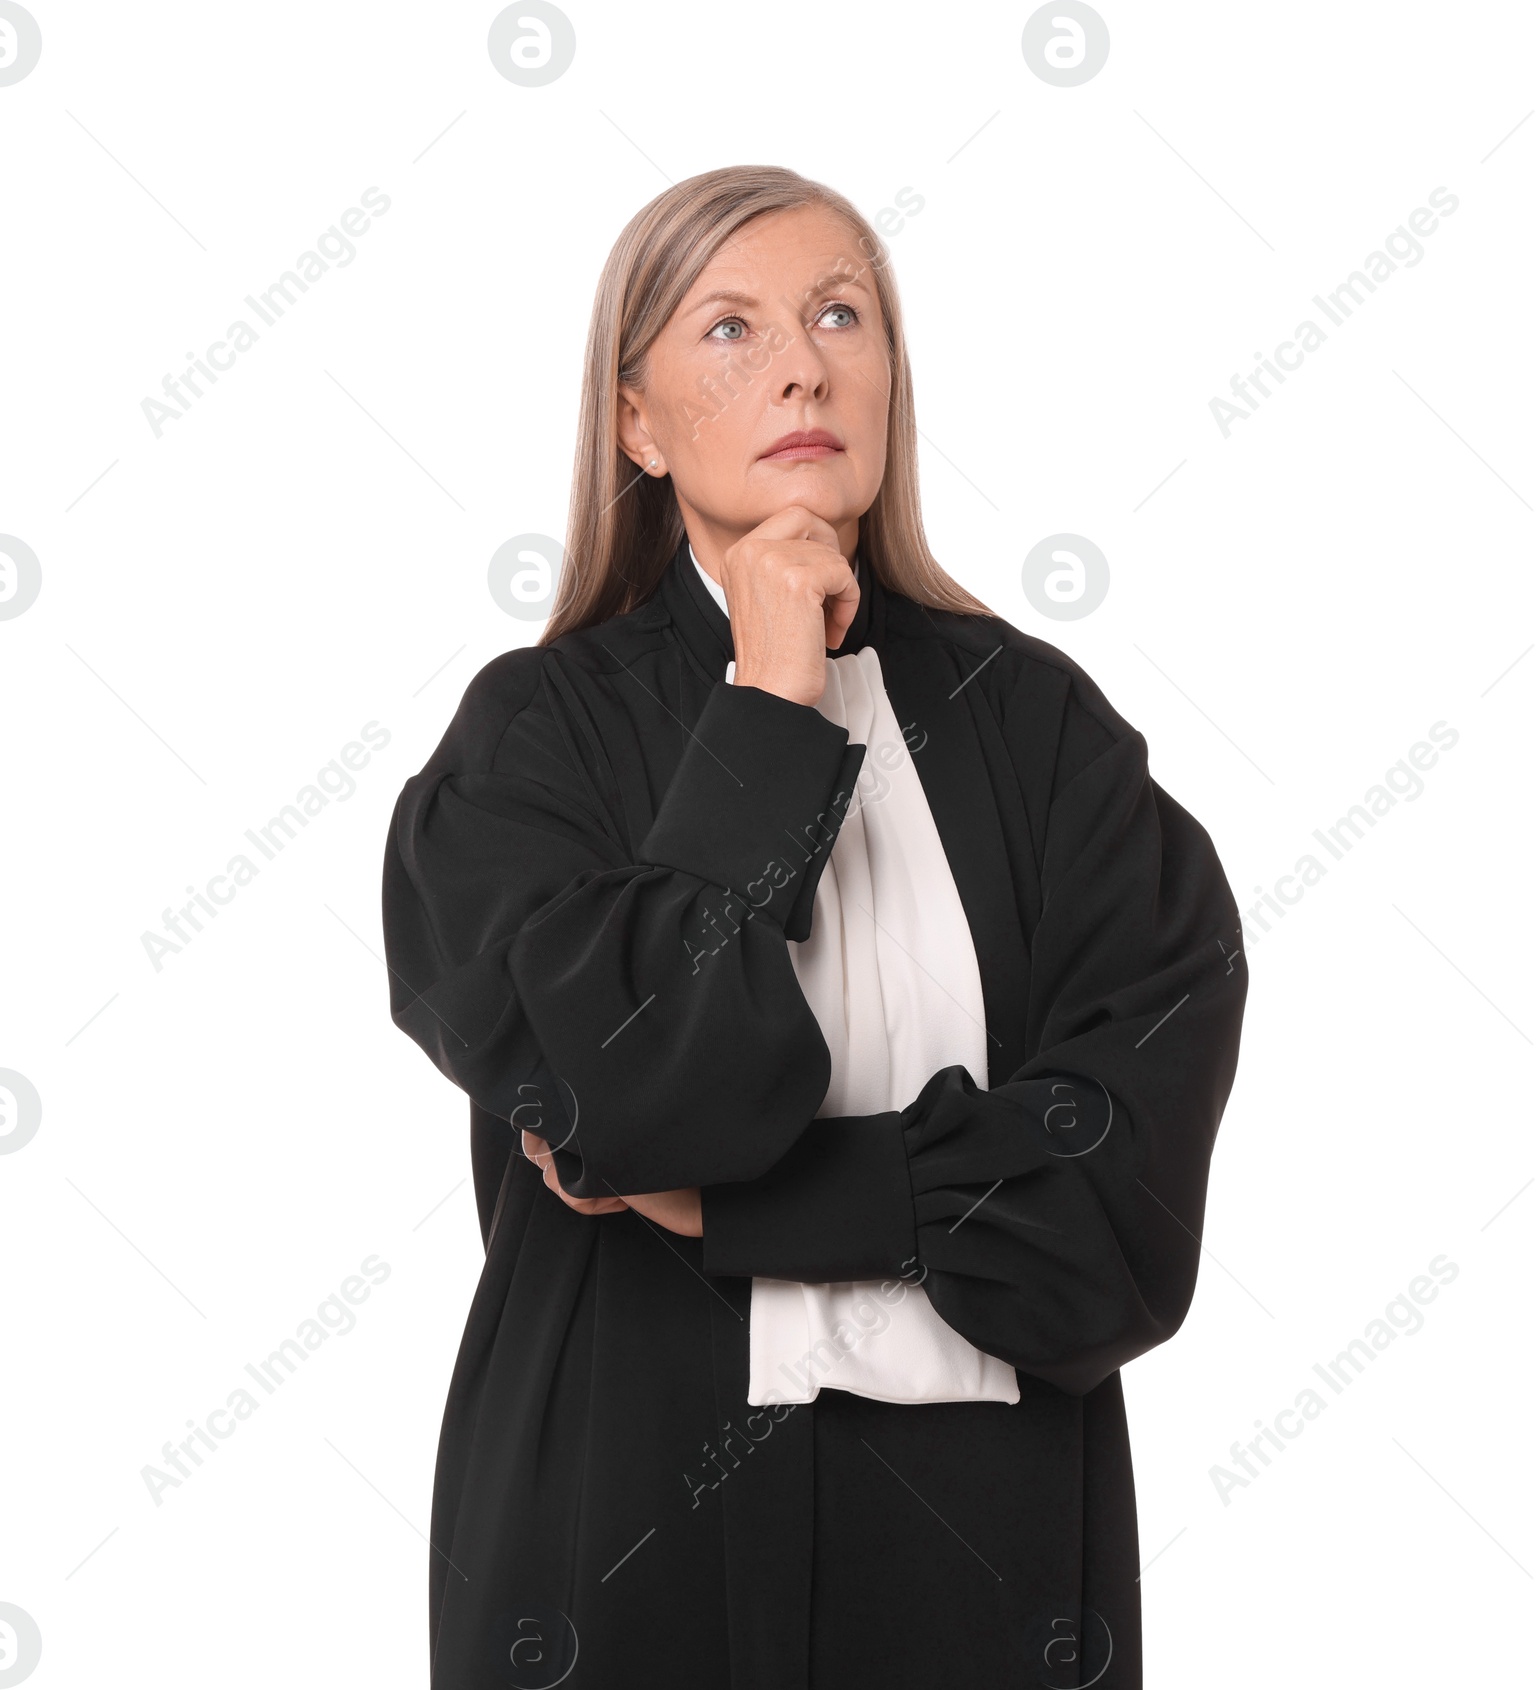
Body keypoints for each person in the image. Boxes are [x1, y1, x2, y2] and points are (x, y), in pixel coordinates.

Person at [381, 163, 1248, 1690]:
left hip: (992, 1587)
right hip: (618, 1563)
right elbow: (634, 1092)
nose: (802, 363)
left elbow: (1113, 1228)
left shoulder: (1045, 734)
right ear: (635, 422)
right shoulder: (531, 741)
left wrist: (737, 1210)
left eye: (842, 314)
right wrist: (772, 704)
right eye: (729, 326)